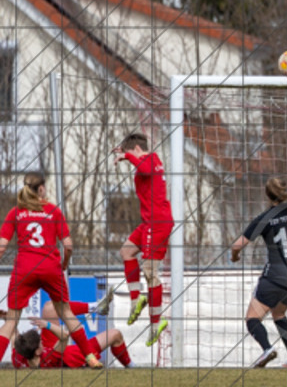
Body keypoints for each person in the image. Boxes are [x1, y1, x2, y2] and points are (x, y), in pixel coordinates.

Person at [0, 173, 102, 369]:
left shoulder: (16, 212)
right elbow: (69, 245)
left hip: (25, 268)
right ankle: (90, 357)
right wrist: (64, 264)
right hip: (50, 267)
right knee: (66, 313)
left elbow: (2, 247)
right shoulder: (54, 211)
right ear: (41, 189)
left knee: (11, 321)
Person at [97, 133, 173, 347]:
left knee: (150, 272)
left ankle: (156, 322)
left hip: (156, 224)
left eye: (132, 153)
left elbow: (144, 168)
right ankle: (136, 297)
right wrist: (125, 152)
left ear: (138, 150)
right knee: (126, 251)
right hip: (150, 222)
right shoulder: (153, 158)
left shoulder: (149, 162)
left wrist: (127, 157)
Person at [230, 177, 287, 368]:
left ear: (268, 195)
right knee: (279, 314)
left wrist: (234, 256)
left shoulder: (265, 218)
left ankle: (267, 349)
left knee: (252, 318)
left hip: (277, 274)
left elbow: (237, 244)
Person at [11, 301, 132, 368]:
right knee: (115, 334)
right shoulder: (49, 360)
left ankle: (95, 308)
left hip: (53, 347)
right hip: (69, 355)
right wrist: (46, 325)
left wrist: (9, 319)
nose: (41, 340)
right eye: (40, 342)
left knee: (50, 308)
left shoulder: (19, 357)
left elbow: (14, 337)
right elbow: (64, 336)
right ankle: (131, 367)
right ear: (38, 351)